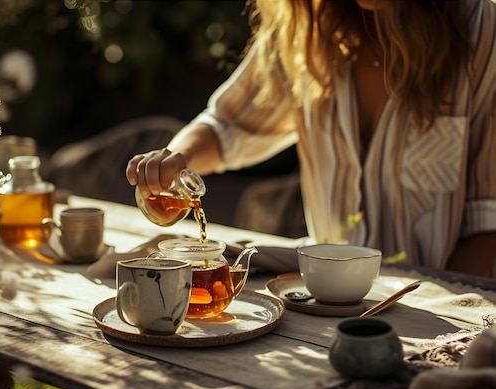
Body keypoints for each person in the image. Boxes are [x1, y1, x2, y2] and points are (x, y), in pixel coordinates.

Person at [126, 0, 496, 278]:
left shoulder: (482, 29)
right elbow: (227, 125)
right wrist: (175, 160)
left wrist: (424, 321)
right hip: (320, 298)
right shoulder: (307, 28)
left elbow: (489, 221)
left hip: (440, 312)